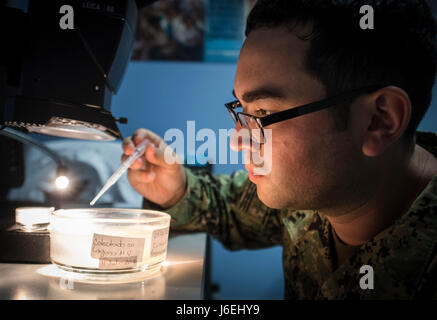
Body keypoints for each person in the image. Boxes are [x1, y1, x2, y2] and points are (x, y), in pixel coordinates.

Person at [122, 0, 437, 299]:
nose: (236, 141)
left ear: (378, 121)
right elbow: (229, 209)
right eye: (241, 109)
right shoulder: (315, 188)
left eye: (263, 114)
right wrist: (174, 187)